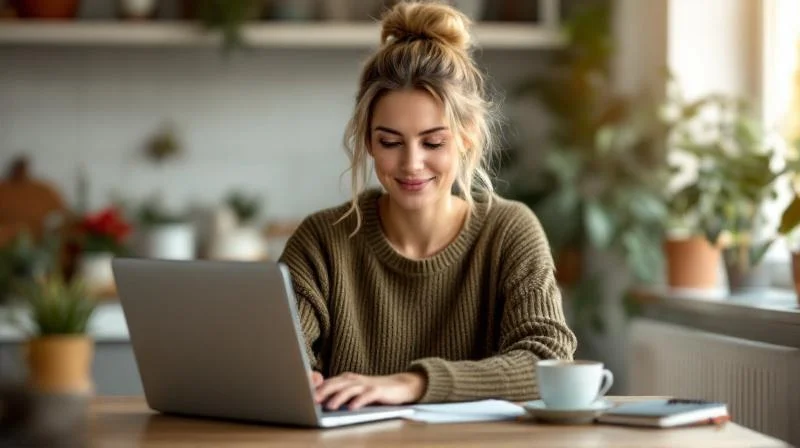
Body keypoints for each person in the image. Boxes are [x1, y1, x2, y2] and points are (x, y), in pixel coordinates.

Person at [279, 0, 576, 411]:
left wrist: (413, 383)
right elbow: (279, 359)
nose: (411, 163)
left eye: (433, 142)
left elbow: (548, 360)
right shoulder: (322, 241)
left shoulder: (509, 231)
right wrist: (295, 379)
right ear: (368, 141)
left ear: (467, 136)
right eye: (390, 142)